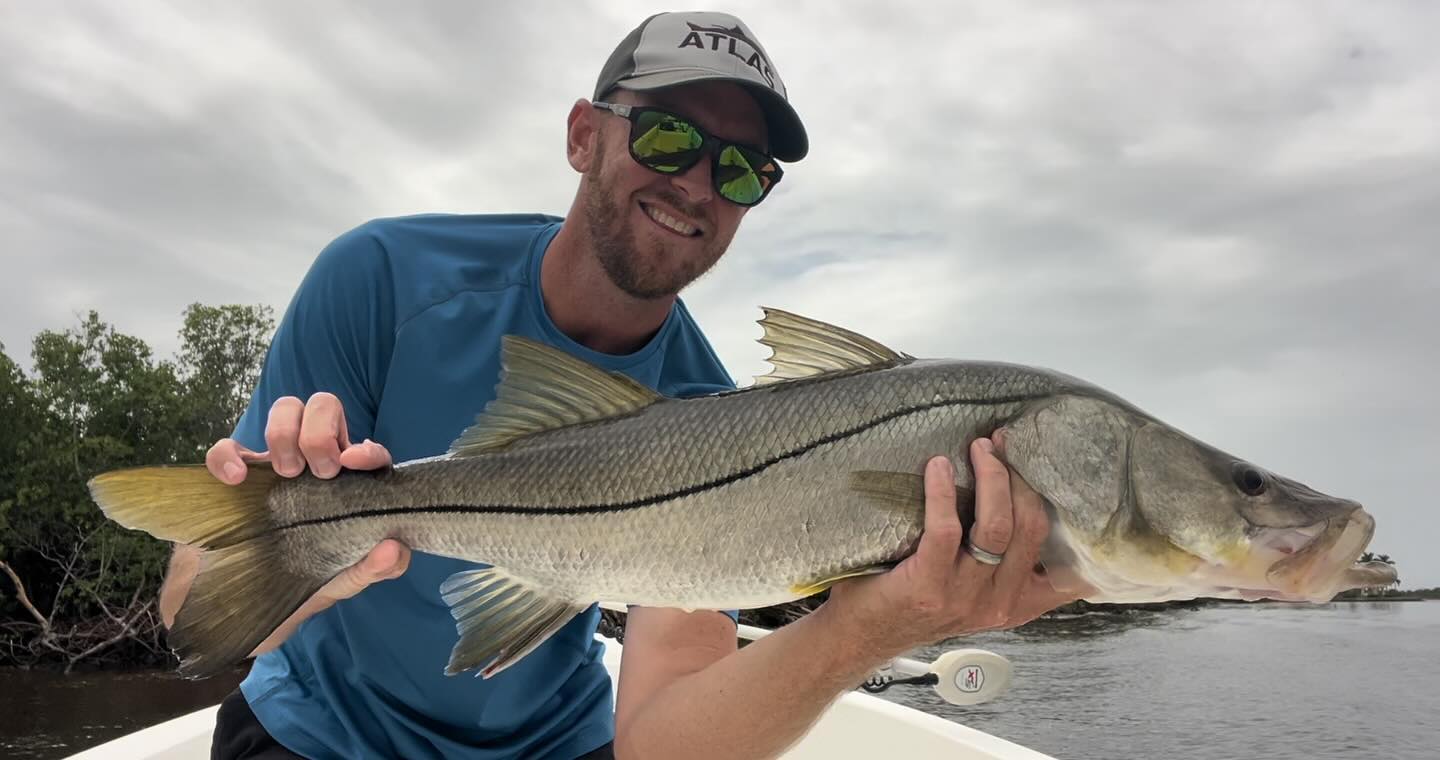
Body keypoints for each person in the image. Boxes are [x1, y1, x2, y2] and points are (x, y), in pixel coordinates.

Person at [161, 11, 1079, 760]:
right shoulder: (382, 276)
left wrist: (866, 631)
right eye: (671, 134)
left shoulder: (728, 426)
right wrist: (313, 558)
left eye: (739, 169)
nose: (697, 184)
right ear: (582, 136)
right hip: (318, 737)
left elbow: (659, 742)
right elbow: (186, 609)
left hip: (557, 745)